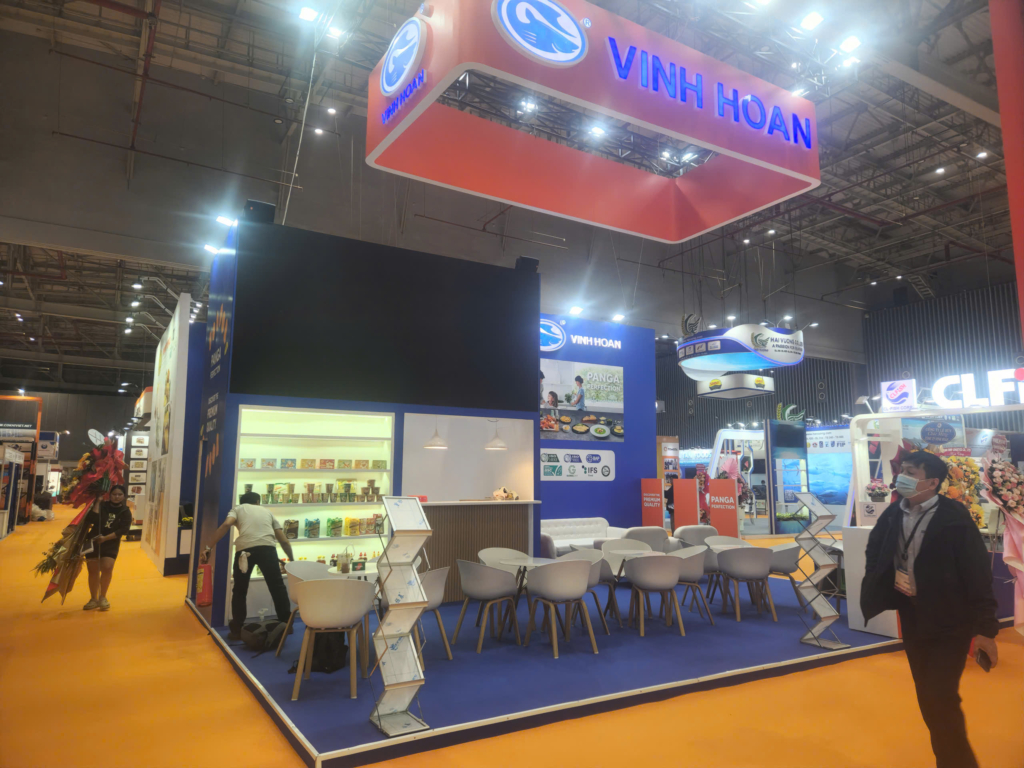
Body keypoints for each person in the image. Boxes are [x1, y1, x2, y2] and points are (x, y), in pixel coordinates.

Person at [861, 451, 999, 768]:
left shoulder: (954, 517)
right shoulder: (894, 512)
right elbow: (876, 550)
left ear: (932, 482)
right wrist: (879, 583)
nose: (902, 476)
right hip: (913, 616)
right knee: (927, 695)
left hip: (951, 621)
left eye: (911, 472)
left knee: (940, 696)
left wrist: (986, 629)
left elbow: (978, 573)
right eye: (902, 470)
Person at [201, 491, 294, 640]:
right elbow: (283, 540)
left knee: (240, 590)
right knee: (277, 588)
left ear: (242, 501)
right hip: (267, 550)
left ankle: (237, 630)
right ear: (257, 501)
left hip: (244, 551)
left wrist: (208, 547)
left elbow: (226, 524)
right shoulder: (267, 512)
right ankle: (286, 625)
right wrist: (292, 559)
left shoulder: (237, 509)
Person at [81, 485, 134, 611]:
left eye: (120, 494)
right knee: (92, 570)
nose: (117, 497)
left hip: (111, 542)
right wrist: (97, 502)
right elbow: (91, 519)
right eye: (114, 494)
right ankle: (93, 599)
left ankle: (103, 597)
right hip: (93, 540)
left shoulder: (126, 511)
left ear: (124, 496)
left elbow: (123, 530)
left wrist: (105, 538)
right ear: (109, 495)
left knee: (107, 567)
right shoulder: (102, 506)